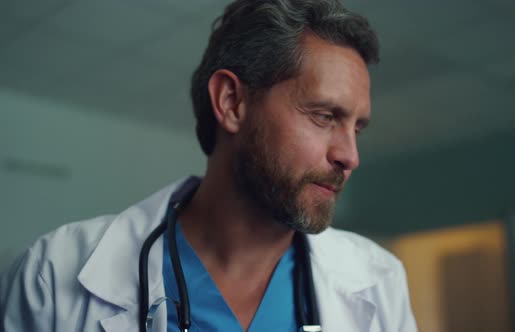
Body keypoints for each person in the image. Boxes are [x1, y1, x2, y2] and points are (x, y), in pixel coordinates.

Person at [0, 0, 417, 331]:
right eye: (324, 117)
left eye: (356, 129)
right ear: (232, 103)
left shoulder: (379, 281)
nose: (350, 156)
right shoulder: (53, 275)